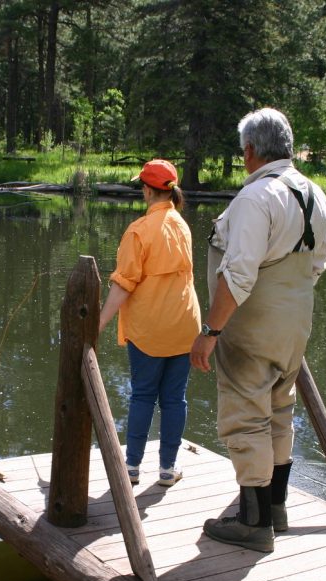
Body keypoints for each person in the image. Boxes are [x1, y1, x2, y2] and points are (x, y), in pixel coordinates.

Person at [190, 108, 326, 553]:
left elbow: (238, 276)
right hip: (296, 320)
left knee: (246, 415)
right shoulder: (316, 194)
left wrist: (210, 331)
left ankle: (252, 522)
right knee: (279, 408)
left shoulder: (255, 198)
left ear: (250, 150)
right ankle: (275, 508)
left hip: (252, 322)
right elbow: (318, 264)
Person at [99, 159, 201, 487]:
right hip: (186, 325)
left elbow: (123, 284)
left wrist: (97, 323)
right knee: (175, 398)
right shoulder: (181, 225)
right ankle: (168, 470)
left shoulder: (139, 230)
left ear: (146, 190)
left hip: (151, 328)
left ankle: (130, 469)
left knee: (143, 395)